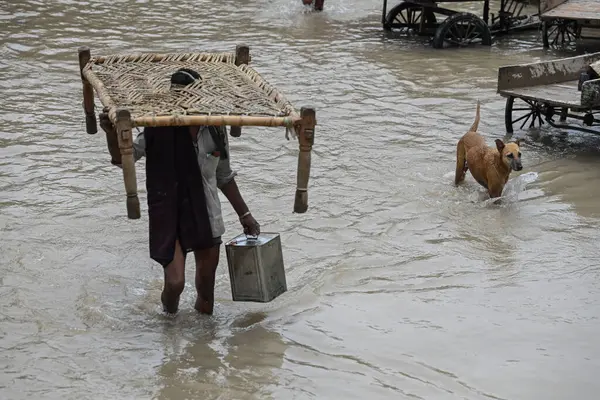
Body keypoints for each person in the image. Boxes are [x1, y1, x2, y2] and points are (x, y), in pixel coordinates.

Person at [104, 68, 260, 315]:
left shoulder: (215, 131)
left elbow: (224, 176)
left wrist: (245, 214)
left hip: (206, 214)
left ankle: (204, 344)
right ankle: (169, 323)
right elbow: (125, 157)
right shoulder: (158, 127)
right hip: (171, 212)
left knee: (206, 289)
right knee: (175, 284)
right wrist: (112, 135)